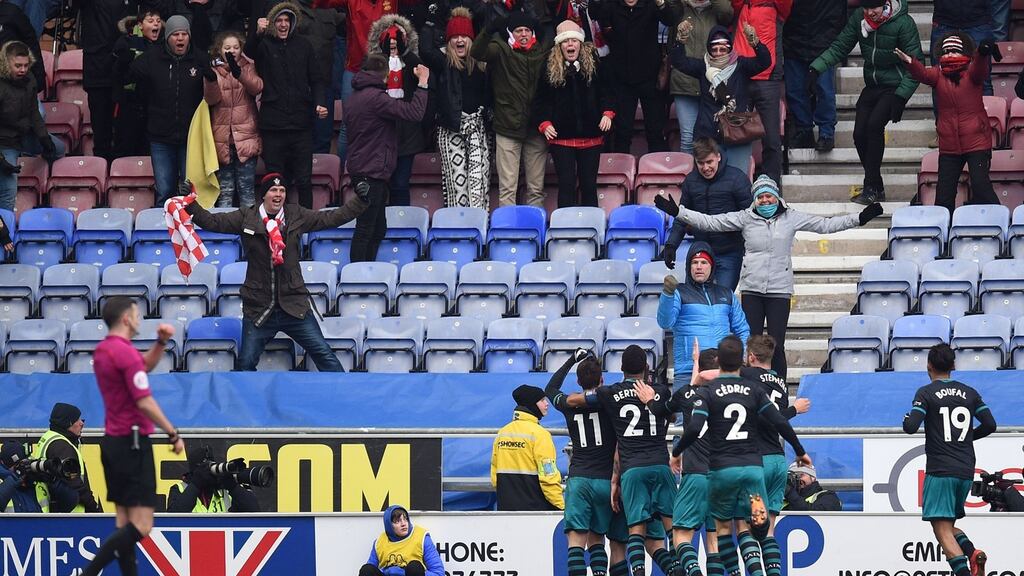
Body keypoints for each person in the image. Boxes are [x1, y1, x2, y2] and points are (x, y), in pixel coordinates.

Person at [655, 175, 882, 380]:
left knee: (777, 344)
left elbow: (825, 224)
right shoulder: (745, 217)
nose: (764, 201)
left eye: (768, 196)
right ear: (754, 199)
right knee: (752, 343)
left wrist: (859, 218)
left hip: (779, 290)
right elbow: (711, 222)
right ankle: (751, 385)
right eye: (760, 197)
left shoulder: (792, 217)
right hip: (752, 288)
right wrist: (679, 213)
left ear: (776, 197)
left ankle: (778, 388)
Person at [655, 335, 812, 576]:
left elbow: (695, 427)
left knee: (722, 530)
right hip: (753, 467)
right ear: (742, 361)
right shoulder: (754, 389)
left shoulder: (709, 391)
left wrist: (676, 452)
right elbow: (779, 420)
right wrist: (800, 452)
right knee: (761, 531)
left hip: (722, 469)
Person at [184, 173, 368, 370]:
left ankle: (341, 397)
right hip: (259, 308)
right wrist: (190, 203)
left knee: (325, 355)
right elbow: (213, 222)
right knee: (245, 363)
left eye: (282, 190)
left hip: (294, 305)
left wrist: (360, 200)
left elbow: (331, 218)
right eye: (273, 190)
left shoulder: (296, 214)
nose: (278, 194)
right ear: (263, 195)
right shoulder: (247, 216)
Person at [80, 296, 185, 576]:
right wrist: (173, 433)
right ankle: (88, 573)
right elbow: (144, 401)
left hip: (113, 442)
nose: (140, 320)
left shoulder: (104, 350)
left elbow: (143, 366)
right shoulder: (124, 353)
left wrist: (160, 343)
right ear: (126, 318)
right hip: (133, 443)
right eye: (137, 316)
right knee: (141, 525)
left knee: (123, 522)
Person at [808, 0, 922, 205]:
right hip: (873, 85)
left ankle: (870, 187)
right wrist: (817, 67)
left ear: (885, 4)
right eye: (866, 8)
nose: (870, 13)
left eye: (874, 8)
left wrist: (901, 96)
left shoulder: (904, 23)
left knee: (874, 126)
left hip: (895, 86)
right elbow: (840, 46)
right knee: (859, 134)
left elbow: (915, 65)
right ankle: (876, 185)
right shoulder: (859, 19)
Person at [579, 346, 678, 576]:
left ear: (621, 368)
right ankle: (679, 568)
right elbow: (671, 414)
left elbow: (578, 400)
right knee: (673, 530)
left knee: (635, 530)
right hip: (661, 465)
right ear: (647, 367)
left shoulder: (609, 394)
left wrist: (615, 479)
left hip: (632, 469)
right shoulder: (662, 391)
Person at [902, 343, 997, 576]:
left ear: (929, 365)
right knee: (948, 526)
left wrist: (906, 418)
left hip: (940, 470)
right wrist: (966, 438)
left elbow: (911, 426)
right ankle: (973, 553)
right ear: (953, 365)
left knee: (941, 531)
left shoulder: (925, 393)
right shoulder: (970, 392)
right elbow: (990, 424)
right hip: (965, 469)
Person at [641, 342, 723, 576]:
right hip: (721, 475)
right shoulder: (731, 395)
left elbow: (664, 409)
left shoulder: (686, 395)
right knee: (714, 541)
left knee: (680, 537)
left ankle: (694, 573)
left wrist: (649, 399)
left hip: (696, 474)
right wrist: (698, 361)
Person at [895, 35, 1001, 216]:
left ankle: (1000, 220)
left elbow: (980, 68)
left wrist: (982, 53)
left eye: (954, 51)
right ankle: (944, 233)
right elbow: (922, 74)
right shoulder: (938, 73)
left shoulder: (971, 72)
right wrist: (910, 62)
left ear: (963, 52)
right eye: (947, 51)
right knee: (944, 195)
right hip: (949, 145)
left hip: (976, 141)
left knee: (980, 185)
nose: (950, 54)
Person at [344, 54, 429, 263]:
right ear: (385, 76)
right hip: (371, 170)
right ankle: (358, 277)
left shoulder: (353, 97)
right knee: (366, 228)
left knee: (377, 227)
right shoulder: (376, 99)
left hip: (364, 168)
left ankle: (366, 271)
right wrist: (423, 83)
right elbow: (414, 113)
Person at [245, 2, 327, 209]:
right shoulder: (264, 44)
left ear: (293, 23)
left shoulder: (304, 45)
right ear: (273, 23)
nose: (282, 25)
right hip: (273, 125)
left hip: (301, 124)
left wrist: (319, 103)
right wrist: (256, 33)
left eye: (286, 20)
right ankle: (276, 224)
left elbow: (316, 78)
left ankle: (307, 222)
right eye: (279, 20)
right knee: (275, 180)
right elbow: (249, 52)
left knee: (304, 180)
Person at [545, 349, 616, 576]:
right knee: (598, 540)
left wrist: (571, 360)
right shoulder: (609, 402)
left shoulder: (568, 403)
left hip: (579, 479)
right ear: (602, 379)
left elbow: (550, 389)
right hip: (605, 479)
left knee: (575, 542)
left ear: (577, 380)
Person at [742, 334, 808, 576]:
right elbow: (778, 419)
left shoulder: (746, 375)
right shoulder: (780, 382)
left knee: (745, 526)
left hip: (755, 459)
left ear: (750, 357)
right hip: (778, 460)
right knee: (769, 530)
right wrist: (794, 409)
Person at [128, 13, 211, 204]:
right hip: (160, 137)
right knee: (164, 190)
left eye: (184, 34)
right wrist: (123, 59)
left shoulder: (200, 59)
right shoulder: (152, 58)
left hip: (191, 138)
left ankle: (188, 231)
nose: (180, 38)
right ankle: (161, 231)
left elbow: (213, 97)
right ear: (167, 38)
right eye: (175, 34)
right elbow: (127, 78)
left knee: (189, 192)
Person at [471, 12, 551, 207]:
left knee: (536, 189)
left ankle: (535, 232)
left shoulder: (543, 51)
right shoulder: (500, 50)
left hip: (535, 128)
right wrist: (488, 30)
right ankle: (507, 234)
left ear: (532, 33)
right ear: (510, 33)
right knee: (508, 188)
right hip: (507, 127)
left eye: (527, 30)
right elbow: (477, 52)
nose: (523, 34)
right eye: (518, 30)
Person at [534, 20, 614, 208]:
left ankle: (592, 229)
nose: (570, 44)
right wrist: (545, 123)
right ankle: (565, 230)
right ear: (559, 45)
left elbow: (607, 92)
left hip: (591, 137)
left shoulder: (594, 64)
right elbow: (541, 100)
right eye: (565, 41)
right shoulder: (549, 67)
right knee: (567, 186)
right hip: (562, 139)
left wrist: (607, 113)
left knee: (588, 186)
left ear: (580, 43)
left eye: (574, 41)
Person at [670, 23, 769, 174]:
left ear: (730, 49)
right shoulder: (703, 67)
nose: (718, 53)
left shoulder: (741, 65)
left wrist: (755, 43)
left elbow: (765, 62)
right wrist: (680, 40)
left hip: (738, 133)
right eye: (714, 49)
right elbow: (679, 62)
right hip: (708, 133)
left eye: (723, 49)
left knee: (738, 178)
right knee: (708, 180)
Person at [420, 8, 491, 210]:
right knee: (457, 185)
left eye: (464, 36)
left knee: (478, 184)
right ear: (448, 40)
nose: (460, 40)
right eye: (455, 36)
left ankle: (479, 232)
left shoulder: (481, 64)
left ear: (471, 39)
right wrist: (430, 21)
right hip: (451, 128)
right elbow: (425, 50)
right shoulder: (443, 63)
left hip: (477, 128)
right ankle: (458, 232)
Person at [588, 0, 676, 155]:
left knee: (655, 130)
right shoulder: (612, 5)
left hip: (650, 76)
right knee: (622, 132)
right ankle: (620, 173)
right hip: (622, 78)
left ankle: (658, 174)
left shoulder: (650, 4)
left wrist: (661, 3)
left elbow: (670, 19)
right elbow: (595, 13)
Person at [663, 137, 751, 291]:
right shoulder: (691, 181)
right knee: (696, 303)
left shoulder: (737, 178)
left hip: (729, 252)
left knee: (722, 303)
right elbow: (682, 216)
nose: (705, 168)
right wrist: (671, 245)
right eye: (700, 163)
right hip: (701, 252)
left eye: (709, 162)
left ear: (718, 157)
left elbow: (751, 218)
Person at [658, 241, 749, 381]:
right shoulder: (678, 292)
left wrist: (739, 359)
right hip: (688, 371)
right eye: (694, 262)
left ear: (712, 266)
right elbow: (665, 322)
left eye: (704, 262)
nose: (699, 267)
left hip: (721, 370)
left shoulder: (726, 294)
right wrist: (667, 294)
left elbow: (742, 329)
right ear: (689, 267)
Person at [366, 14, 427, 208]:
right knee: (380, 185)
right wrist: (384, 54)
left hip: (407, 134)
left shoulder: (410, 63)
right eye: (389, 39)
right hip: (381, 134)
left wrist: (404, 50)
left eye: (397, 39)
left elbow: (421, 70)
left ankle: (402, 228)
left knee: (401, 184)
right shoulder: (373, 64)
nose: (393, 42)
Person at [729, 0, 788, 183]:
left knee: (771, 138)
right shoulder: (742, 5)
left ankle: (772, 186)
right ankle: (736, 184)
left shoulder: (776, 6)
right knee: (735, 134)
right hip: (741, 77)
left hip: (768, 78)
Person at [204, 30, 263, 208]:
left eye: (236, 47)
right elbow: (211, 100)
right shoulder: (214, 70)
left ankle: (251, 234)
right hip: (222, 140)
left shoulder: (249, 66)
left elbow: (256, 88)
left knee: (246, 191)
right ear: (219, 50)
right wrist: (211, 79)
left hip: (246, 138)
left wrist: (240, 74)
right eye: (227, 47)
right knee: (225, 192)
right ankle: (225, 236)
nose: (232, 51)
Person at [668, 0, 732, 154]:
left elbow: (726, 12)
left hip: (713, 83)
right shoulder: (679, 8)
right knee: (688, 138)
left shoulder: (716, 9)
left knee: (713, 137)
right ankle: (690, 177)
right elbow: (667, 12)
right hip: (684, 82)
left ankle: (713, 175)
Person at [0, 41, 56, 213]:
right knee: (9, 190)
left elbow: (33, 112)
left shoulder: (29, 78)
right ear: (5, 63)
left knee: (59, 149)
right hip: (4, 143)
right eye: (18, 66)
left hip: (24, 134)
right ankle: (5, 232)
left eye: (25, 65)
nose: (23, 70)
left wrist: (44, 138)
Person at [782, 0, 845, 151]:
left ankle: (826, 134)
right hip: (793, 42)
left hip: (822, 43)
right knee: (795, 91)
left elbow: (839, 15)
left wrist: (829, 38)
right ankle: (804, 131)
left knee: (824, 90)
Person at [491, 384, 564, 511]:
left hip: (505, 507)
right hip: (535, 510)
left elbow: (494, 476)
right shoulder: (540, 434)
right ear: (532, 404)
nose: (547, 404)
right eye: (542, 400)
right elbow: (548, 476)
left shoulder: (503, 433)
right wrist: (561, 506)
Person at [112, 8, 164, 158]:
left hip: (154, 108)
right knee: (125, 147)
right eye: (151, 21)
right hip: (129, 105)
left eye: (158, 21)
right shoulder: (126, 42)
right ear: (140, 25)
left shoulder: (164, 47)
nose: (155, 24)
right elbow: (117, 74)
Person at [34, 402, 101, 513]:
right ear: (67, 423)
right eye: (77, 420)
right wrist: (94, 508)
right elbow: (75, 484)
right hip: (70, 517)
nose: (82, 423)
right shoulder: (61, 446)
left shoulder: (49, 437)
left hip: (56, 513)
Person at [166, 445, 260, 512]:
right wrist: (196, 484)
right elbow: (173, 516)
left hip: (223, 539)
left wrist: (232, 486)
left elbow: (254, 511)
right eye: (204, 469)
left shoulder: (225, 490)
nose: (208, 473)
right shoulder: (180, 488)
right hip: (191, 539)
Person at [359, 505, 445, 576]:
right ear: (389, 525)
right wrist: (389, 572)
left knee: (414, 567)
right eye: (397, 521)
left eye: (405, 519)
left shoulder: (421, 537)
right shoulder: (379, 542)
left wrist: (403, 573)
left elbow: (438, 573)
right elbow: (370, 570)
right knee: (367, 570)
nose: (403, 524)